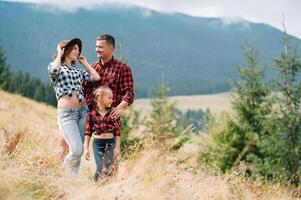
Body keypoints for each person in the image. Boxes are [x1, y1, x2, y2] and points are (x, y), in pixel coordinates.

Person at [48, 38, 100, 174]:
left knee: (77, 151)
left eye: (78, 49)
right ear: (66, 50)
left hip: (82, 112)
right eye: (75, 48)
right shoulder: (56, 67)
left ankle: (71, 182)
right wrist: (59, 54)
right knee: (77, 150)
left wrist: (85, 63)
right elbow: (53, 72)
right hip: (66, 114)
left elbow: (96, 77)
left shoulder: (78, 71)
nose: (78, 51)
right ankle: (58, 174)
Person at [82, 34, 134, 169]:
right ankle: (98, 182)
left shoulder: (122, 68)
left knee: (112, 160)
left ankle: (111, 186)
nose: (96, 49)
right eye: (96, 46)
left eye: (100, 47)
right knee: (97, 160)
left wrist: (121, 107)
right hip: (93, 118)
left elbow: (129, 92)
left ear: (111, 48)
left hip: (111, 118)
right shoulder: (92, 68)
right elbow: (83, 90)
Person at [84, 86, 119, 181]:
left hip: (110, 143)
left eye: (112, 98)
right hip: (98, 144)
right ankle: (92, 182)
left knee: (109, 168)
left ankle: (107, 186)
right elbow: (87, 132)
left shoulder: (113, 113)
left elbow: (117, 132)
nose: (112, 100)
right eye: (109, 98)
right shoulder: (91, 114)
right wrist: (86, 148)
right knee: (100, 167)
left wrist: (117, 147)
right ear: (100, 98)